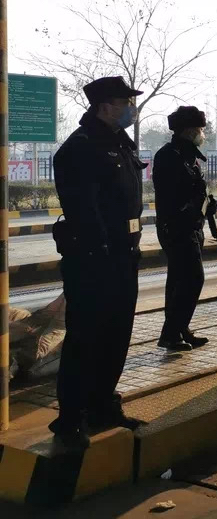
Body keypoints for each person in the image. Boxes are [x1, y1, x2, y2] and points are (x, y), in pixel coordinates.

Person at [50, 76, 145, 448]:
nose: (131, 109)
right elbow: (84, 210)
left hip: (123, 256)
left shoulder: (119, 143)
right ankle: (71, 419)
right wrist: (101, 252)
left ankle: (104, 406)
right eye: (125, 103)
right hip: (93, 261)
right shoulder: (80, 148)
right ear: (106, 106)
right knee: (85, 340)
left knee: (116, 336)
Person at [154, 106, 216, 352]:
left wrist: (207, 205)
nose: (203, 134)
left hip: (193, 226)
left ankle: (180, 328)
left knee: (179, 280)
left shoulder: (190, 155)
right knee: (192, 278)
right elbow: (171, 195)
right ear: (189, 131)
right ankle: (170, 333)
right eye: (200, 129)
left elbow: (195, 189)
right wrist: (191, 206)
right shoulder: (168, 156)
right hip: (176, 227)